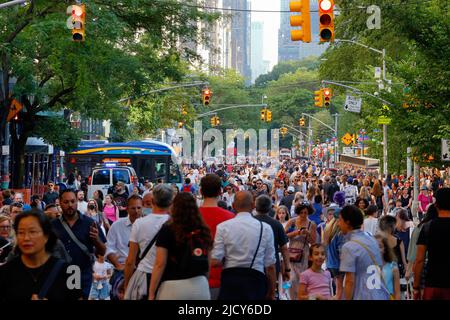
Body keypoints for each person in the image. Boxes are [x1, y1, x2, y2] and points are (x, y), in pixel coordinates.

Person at [0, 210, 82, 301]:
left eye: (32, 232)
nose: (26, 238)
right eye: (21, 232)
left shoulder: (72, 272)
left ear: (46, 235)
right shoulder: (5, 273)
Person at [211, 191, 277, 300]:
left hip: (230, 280)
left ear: (233, 206)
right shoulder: (264, 228)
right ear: (253, 205)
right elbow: (270, 265)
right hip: (255, 280)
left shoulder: (223, 227)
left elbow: (215, 261)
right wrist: (271, 292)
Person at [148, 192, 212, 300]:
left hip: (173, 287)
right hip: (200, 285)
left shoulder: (168, 229)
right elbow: (208, 261)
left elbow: (160, 263)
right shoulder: (203, 229)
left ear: (174, 207)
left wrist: (151, 293)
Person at [51, 190, 107, 299]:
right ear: (60, 203)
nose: (70, 205)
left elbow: (102, 252)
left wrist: (96, 240)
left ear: (77, 202)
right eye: (66, 202)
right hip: (59, 277)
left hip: (83, 276)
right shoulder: (52, 225)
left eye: (72, 201)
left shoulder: (90, 223)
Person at [124, 184, 173, 300]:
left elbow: (130, 260)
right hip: (168, 277)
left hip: (144, 276)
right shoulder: (174, 223)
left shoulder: (139, 224)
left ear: (153, 201)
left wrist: (127, 285)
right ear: (171, 202)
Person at [338, 205, 390, 300]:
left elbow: (350, 281)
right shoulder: (372, 239)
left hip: (363, 295)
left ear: (347, 222)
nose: (338, 224)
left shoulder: (349, 246)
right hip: (380, 293)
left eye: (340, 220)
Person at [198, 174, 235, 300]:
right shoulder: (230, 217)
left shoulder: (190, 216)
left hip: (195, 279)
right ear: (220, 191)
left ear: (201, 191)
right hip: (223, 279)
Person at [414, 188, 450, 300]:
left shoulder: (427, 227)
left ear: (436, 205)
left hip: (432, 282)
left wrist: (416, 287)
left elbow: (419, 259)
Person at [106, 194, 142, 300]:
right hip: (121, 271)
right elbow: (109, 248)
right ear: (127, 209)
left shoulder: (148, 226)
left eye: (139, 208)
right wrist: (118, 265)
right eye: (133, 208)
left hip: (141, 271)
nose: (136, 211)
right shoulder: (117, 225)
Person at [254, 195, 291, 299]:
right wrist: (287, 269)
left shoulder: (250, 222)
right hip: (272, 265)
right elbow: (284, 248)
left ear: (255, 207)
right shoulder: (276, 224)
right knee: (271, 294)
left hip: (253, 265)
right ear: (270, 208)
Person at [284, 202, 317, 300]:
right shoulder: (292, 222)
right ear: (298, 212)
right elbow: (284, 236)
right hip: (291, 252)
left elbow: (313, 242)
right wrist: (297, 232)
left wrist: (308, 234)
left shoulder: (312, 224)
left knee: (301, 278)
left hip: (304, 253)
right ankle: (291, 297)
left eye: (305, 213)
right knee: (292, 278)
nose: (303, 215)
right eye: (301, 212)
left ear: (309, 212)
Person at [375, 234, 401, 300]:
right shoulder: (367, 267)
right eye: (374, 246)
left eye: (380, 246)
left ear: (385, 248)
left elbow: (397, 292)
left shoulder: (393, 267)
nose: (377, 249)